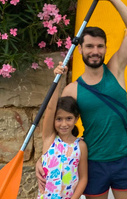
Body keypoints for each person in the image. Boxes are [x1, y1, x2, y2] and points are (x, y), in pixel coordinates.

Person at [36, 0, 127, 199]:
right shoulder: (72, 90)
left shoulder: (116, 69)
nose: (95, 51)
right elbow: (54, 126)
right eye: (90, 46)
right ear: (80, 49)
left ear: (105, 48)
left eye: (100, 46)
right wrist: (43, 158)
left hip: (124, 159)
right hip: (93, 163)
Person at [38, 62, 88, 199]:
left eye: (69, 118)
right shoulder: (49, 139)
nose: (64, 124)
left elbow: (83, 178)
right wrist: (58, 79)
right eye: (59, 119)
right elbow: (50, 108)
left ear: (76, 118)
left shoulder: (80, 146)